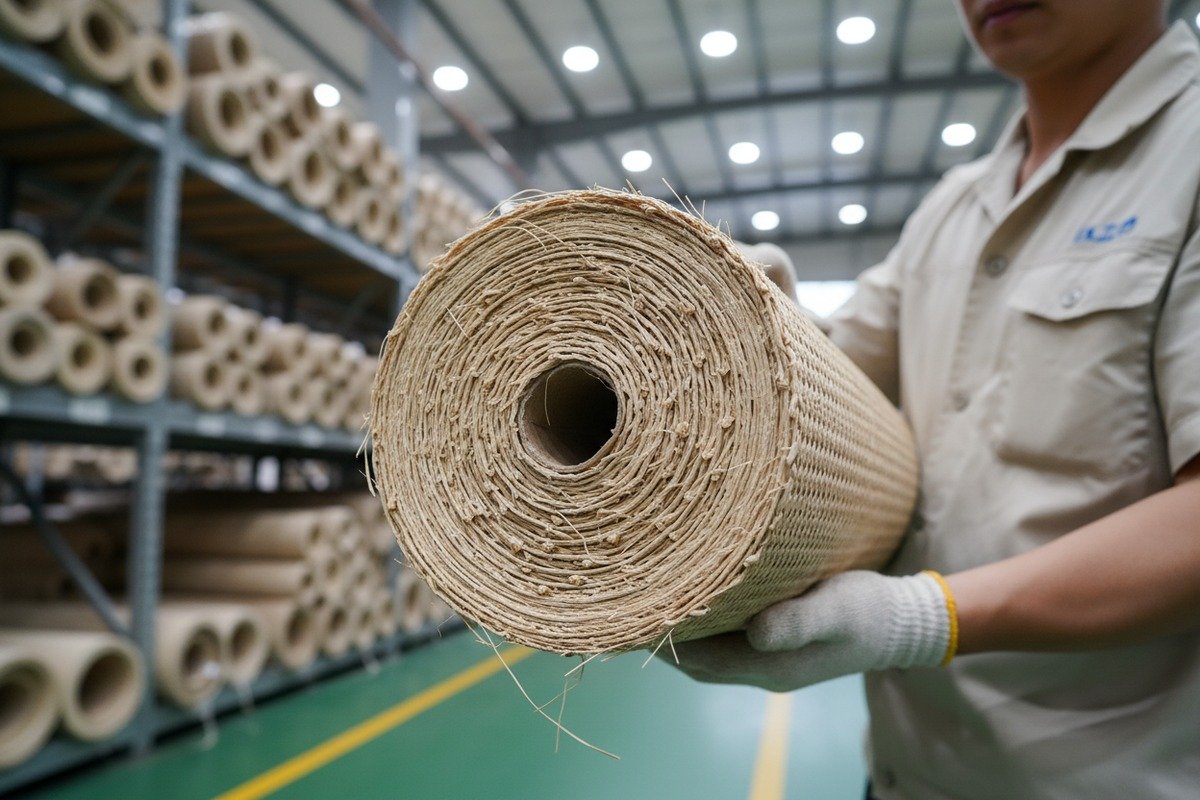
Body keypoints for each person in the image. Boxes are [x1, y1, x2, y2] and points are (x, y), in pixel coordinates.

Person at [663, 2, 1200, 798]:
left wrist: (922, 617)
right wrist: (739, 310)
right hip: (906, 769)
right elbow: (835, 374)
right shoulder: (953, 207)